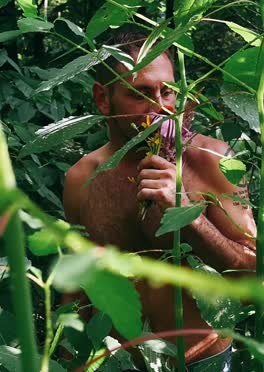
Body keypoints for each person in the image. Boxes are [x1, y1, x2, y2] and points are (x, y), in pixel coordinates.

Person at [63, 32, 256, 370]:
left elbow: (251, 275)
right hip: (117, 363)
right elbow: (78, 286)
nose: (160, 109)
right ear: (103, 99)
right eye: (139, 94)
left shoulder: (214, 160)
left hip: (202, 362)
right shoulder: (81, 179)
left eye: (167, 92)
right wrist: (68, 357)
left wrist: (189, 216)